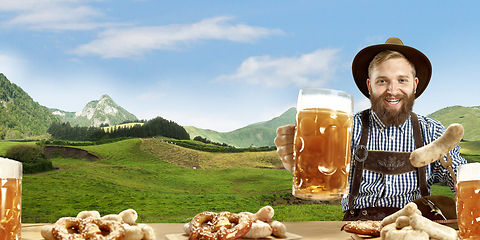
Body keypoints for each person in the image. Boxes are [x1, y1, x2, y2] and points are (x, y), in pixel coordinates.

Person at [274, 37, 467, 221]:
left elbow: (461, 178)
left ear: (414, 85)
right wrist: (298, 163)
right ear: (369, 86)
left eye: (402, 80)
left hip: (415, 228)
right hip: (358, 225)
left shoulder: (433, 131)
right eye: (382, 81)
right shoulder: (347, 128)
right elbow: (324, 176)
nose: (392, 90)